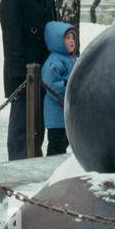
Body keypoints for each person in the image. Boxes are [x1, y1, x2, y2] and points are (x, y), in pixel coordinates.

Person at [0, 0, 58, 161]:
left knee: (38, 130)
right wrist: (20, 82)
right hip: (25, 78)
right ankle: (18, 170)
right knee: (21, 132)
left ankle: (33, 168)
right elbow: (12, 44)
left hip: (45, 76)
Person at [41, 22, 77, 155]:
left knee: (65, 141)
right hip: (57, 113)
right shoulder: (54, 61)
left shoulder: (72, 58)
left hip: (68, 112)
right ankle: (52, 166)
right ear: (57, 41)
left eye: (72, 38)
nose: (71, 41)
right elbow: (52, 83)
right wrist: (66, 94)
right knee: (56, 144)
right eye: (67, 38)